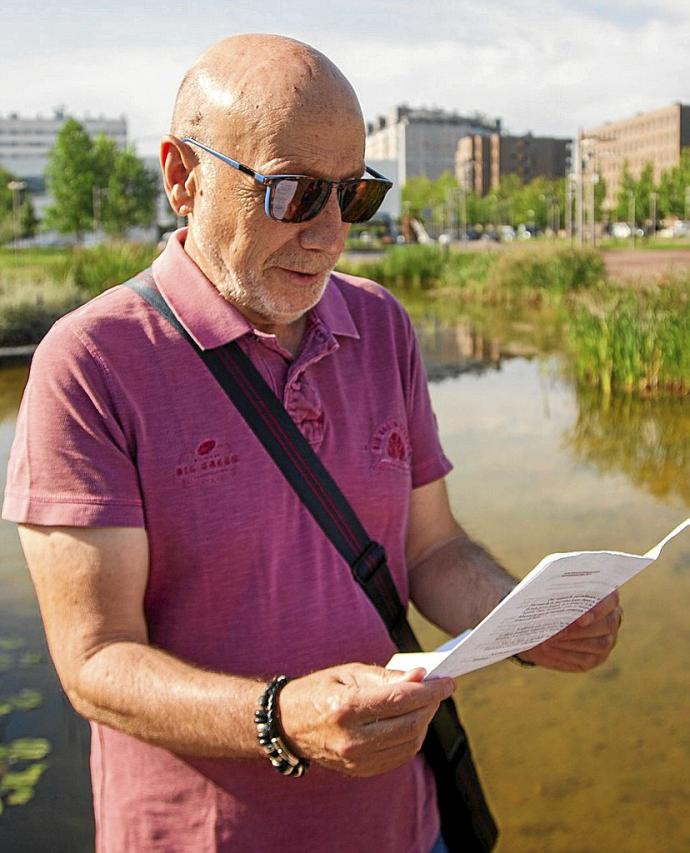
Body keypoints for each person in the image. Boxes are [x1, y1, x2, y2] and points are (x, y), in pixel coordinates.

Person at [2, 34, 622, 853]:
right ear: (182, 177)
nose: (331, 234)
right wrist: (283, 717)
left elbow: (430, 549)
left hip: (408, 827)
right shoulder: (91, 363)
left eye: (353, 195)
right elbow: (96, 660)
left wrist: (526, 618)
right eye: (292, 192)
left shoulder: (382, 325)